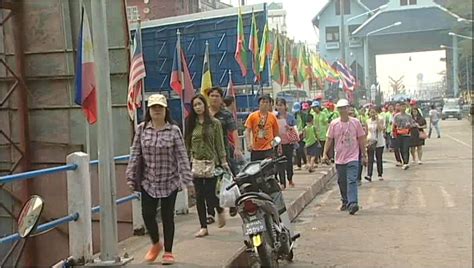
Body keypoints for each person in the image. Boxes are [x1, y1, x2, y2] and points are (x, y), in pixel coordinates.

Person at [126, 94, 193, 264]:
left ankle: (168, 252)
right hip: (148, 181)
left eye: (160, 107)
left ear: (165, 110)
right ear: (148, 110)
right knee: (147, 215)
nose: (156, 110)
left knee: (167, 216)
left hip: (169, 180)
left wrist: (187, 180)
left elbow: (182, 156)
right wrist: (130, 176)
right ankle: (156, 243)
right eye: (153, 107)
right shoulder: (141, 129)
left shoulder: (174, 131)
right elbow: (135, 153)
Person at [185, 94, 229, 237]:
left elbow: (219, 144)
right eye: (195, 105)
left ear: (205, 105)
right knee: (199, 196)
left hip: (211, 162)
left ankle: (219, 209)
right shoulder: (191, 123)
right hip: (196, 163)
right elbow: (187, 143)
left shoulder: (215, 123)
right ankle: (203, 226)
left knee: (210, 193)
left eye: (200, 104)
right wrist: (186, 161)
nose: (198, 107)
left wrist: (223, 161)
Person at [322, 99, 367, 215]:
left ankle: (353, 203)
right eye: (340, 108)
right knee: (342, 181)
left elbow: (361, 139)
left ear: (348, 109)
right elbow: (329, 139)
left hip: (353, 157)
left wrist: (364, 155)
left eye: (344, 108)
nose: (343, 111)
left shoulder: (355, 123)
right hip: (340, 158)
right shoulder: (334, 124)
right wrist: (324, 153)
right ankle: (345, 201)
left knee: (352, 180)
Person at [207, 87, 243, 218]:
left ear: (221, 99)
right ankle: (210, 212)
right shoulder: (203, 114)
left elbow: (234, 131)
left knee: (231, 178)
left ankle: (233, 203)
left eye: (217, 96)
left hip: (224, 152)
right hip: (208, 154)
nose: (214, 98)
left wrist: (238, 148)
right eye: (212, 95)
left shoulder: (226, 114)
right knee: (209, 183)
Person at [245, 95, 280, 161]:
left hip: (268, 148)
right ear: (259, 104)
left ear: (270, 104)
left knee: (269, 169)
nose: (265, 104)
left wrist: (277, 145)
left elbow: (276, 133)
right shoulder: (252, 116)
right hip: (255, 149)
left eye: (267, 102)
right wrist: (248, 143)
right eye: (263, 102)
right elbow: (247, 131)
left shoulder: (273, 117)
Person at [275, 98, 296, 188]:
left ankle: (290, 179)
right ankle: (282, 183)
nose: (279, 107)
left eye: (281, 105)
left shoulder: (290, 117)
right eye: (278, 105)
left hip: (288, 143)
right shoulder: (274, 117)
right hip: (278, 143)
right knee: (280, 163)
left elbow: (295, 128)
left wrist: (289, 128)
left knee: (289, 162)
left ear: (285, 106)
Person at [365, 106, 386, 181]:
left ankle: (380, 174)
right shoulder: (367, 121)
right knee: (370, 159)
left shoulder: (381, 119)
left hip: (379, 141)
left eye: (374, 112)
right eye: (371, 112)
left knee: (379, 158)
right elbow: (366, 132)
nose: (372, 114)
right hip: (370, 141)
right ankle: (369, 175)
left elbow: (381, 129)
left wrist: (377, 120)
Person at [393, 102, 415, 170]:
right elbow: (394, 124)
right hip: (399, 133)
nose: (403, 108)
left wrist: (409, 126)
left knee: (406, 148)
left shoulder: (409, 116)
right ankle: (403, 161)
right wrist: (394, 133)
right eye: (402, 107)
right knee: (401, 148)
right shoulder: (396, 116)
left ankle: (406, 162)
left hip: (407, 134)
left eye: (404, 107)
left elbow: (412, 124)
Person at [294, 102, 309, 169]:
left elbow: (306, 124)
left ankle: (305, 162)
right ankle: (299, 165)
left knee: (301, 149)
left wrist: (303, 132)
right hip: (296, 134)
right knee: (297, 149)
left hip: (302, 134)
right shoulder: (294, 115)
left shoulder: (304, 115)